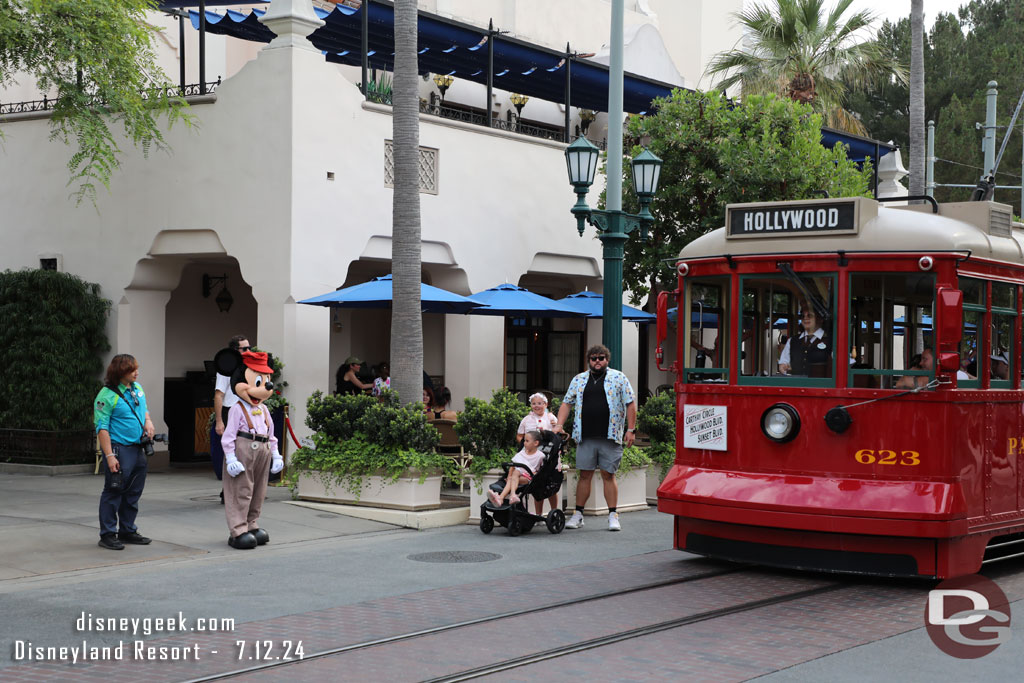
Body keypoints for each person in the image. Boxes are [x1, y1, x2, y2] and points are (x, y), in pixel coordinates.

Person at [554, 344, 637, 532]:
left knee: (609, 475)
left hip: (610, 435)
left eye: (601, 358)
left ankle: (613, 515)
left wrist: (631, 429)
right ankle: (578, 515)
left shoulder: (618, 377)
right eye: (593, 358)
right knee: (585, 475)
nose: (597, 361)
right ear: (589, 360)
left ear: (607, 360)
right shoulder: (579, 379)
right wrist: (559, 424)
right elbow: (567, 403)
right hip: (585, 436)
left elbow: (630, 403)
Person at [93, 354, 155, 550]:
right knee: (113, 491)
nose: (137, 372)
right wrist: (109, 455)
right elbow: (102, 428)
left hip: (137, 448)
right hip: (119, 448)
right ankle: (108, 534)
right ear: (121, 372)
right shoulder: (106, 395)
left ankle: (127, 530)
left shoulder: (138, 389)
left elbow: (144, 409)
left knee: (133, 492)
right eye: (132, 369)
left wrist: (148, 421)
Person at [212, 335, 250, 501]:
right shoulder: (226, 368)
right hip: (230, 410)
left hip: (245, 411)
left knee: (244, 451)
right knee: (231, 451)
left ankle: (240, 488)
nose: (248, 351)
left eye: (250, 348)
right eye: (244, 348)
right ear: (236, 350)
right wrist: (219, 421)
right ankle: (226, 491)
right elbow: (219, 395)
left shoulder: (247, 367)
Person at [517, 393, 560, 514]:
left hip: (550, 457)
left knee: (551, 486)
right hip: (532, 457)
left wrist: (555, 426)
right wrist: (526, 445)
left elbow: (559, 434)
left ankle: (554, 512)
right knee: (537, 485)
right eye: (534, 403)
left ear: (545, 404)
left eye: (540, 403)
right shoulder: (526, 419)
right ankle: (538, 515)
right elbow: (519, 435)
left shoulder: (551, 417)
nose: (537, 406)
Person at [489, 430, 544, 507]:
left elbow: (542, 469)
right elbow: (513, 465)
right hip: (518, 475)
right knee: (514, 473)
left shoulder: (540, 456)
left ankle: (501, 498)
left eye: (527, 441)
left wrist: (536, 474)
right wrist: (508, 476)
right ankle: (510, 496)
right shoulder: (522, 453)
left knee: (513, 476)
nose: (524, 443)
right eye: (524, 440)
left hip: (529, 477)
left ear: (536, 443)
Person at [778, 307, 831, 377]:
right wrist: (783, 367)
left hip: (821, 386)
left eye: (809, 315)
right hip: (797, 385)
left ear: (820, 319)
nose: (805, 318)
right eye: (802, 316)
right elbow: (783, 363)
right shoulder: (792, 340)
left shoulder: (830, 341)